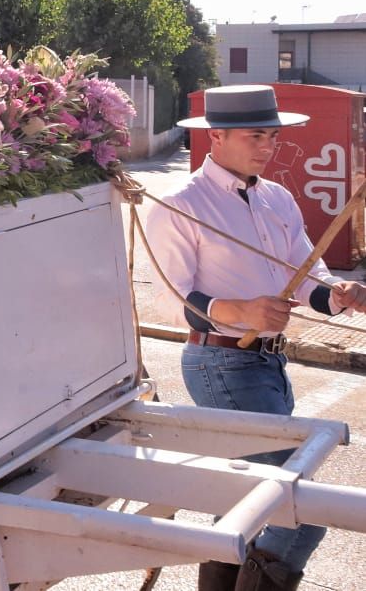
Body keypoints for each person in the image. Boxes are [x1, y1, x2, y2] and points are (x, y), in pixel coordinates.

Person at [146, 85, 366, 590]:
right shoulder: (180, 204)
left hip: (269, 365)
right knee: (299, 507)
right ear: (215, 137)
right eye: (255, 136)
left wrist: (341, 294)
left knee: (247, 505)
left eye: (272, 136)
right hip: (220, 363)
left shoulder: (277, 197)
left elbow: (307, 276)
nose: (268, 147)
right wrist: (240, 310)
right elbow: (169, 300)